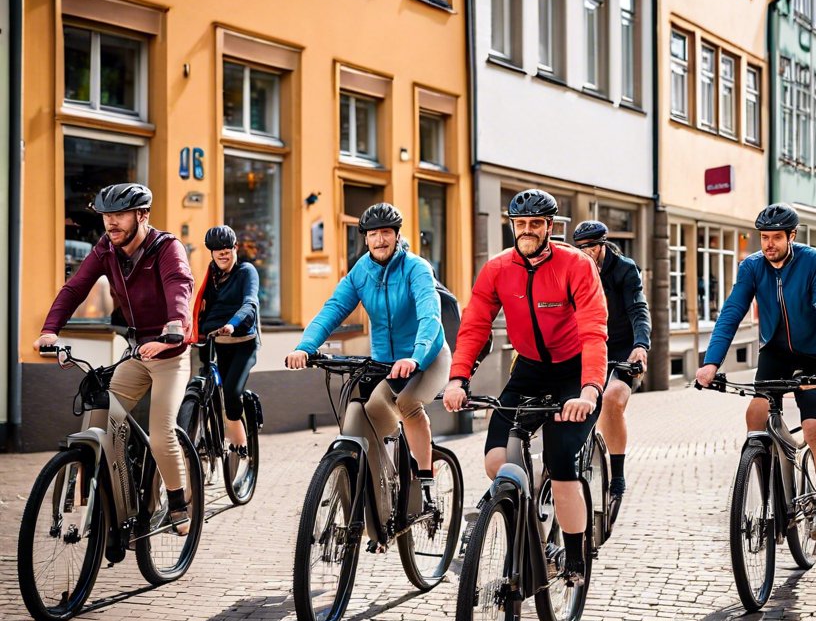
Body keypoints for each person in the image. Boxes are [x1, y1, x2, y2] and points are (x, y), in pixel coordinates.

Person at [442, 189, 608, 585]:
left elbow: (593, 332)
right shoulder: (498, 268)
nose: (527, 230)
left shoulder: (576, 265)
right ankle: (529, 501)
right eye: (521, 224)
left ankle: (573, 557)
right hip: (529, 369)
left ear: (550, 227)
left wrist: (589, 390)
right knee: (496, 462)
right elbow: (474, 327)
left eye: (536, 224)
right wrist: (457, 378)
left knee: (562, 461)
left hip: (573, 372)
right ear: (511, 226)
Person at [33, 183, 195, 533]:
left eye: (119, 215)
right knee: (102, 417)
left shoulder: (167, 248)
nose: (111, 223)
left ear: (142, 215)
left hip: (170, 353)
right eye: (107, 215)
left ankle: (180, 502)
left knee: (160, 429)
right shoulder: (106, 248)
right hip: (136, 353)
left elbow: (179, 287)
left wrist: (174, 329)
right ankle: (103, 498)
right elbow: (75, 287)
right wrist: (51, 330)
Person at [285, 203, 449, 506]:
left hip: (428, 356)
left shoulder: (417, 268)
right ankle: (382, 477)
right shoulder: (361, 271)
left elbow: (429, 316)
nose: (380, 240)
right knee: (366, 410)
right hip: (385, 362)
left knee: (408, 403)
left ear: (397, 235)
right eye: (373, 234)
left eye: (386, 232)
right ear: (365, 239)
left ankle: (425, 482)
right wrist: (305, 347)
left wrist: (415, 357)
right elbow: (333, 309)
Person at [695, 203, 816, 542]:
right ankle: (772, 500)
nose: (769, 244)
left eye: (777, 237)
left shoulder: (812, 261)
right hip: (774, 351)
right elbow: (732, 312)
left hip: (813, 354)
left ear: (792, 236)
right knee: (755, 415)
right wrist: (712, 362)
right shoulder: (752, 267)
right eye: (764, 237)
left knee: (815, 428)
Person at [571, 220, 650, 500]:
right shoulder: (574, 268)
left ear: (603, 244)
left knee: (613, 397)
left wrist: (641, 346)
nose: (586, 252)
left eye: (591, 246)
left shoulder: (624, 269)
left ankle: (616, 473)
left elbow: (638, 309)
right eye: (580, 248)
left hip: (622, 349)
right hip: (586, 347)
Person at [192, 225, 260, 450]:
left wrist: (232, 324)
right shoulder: (211, 277)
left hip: (243, 344)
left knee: (231, 392)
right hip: (215, 342)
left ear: (235, 248)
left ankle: (240, 443)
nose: (222, 253)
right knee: (204, 388)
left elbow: (250, 303)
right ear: (211, 252)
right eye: (216, 249)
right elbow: (200, 308)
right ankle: (208, 434)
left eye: (226, 248)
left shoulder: (246, 271)